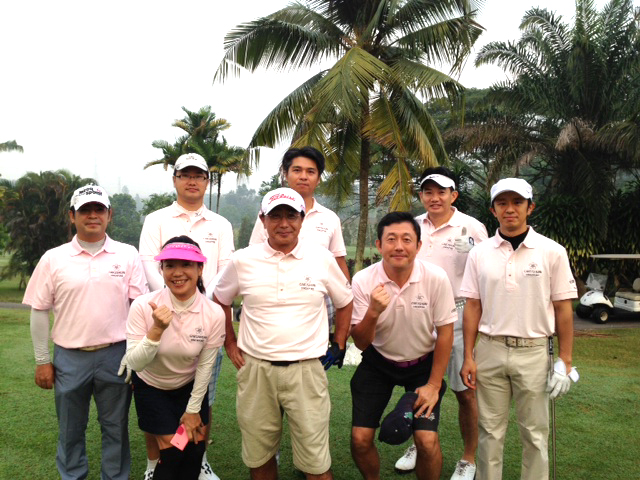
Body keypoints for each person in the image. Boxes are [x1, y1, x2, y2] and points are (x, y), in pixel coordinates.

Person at [214, 187, 354, 480]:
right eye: (275, 216)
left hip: (306, 371)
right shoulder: (243, 260)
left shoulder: (321, 258)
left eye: (291, 215)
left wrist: (339, 342)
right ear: (263, 220)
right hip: (257, 371)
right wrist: (230, 342)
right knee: (260, 458)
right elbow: (220, 300)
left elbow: (345, 301)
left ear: (302, 219)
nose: (283, 223)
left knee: (316, 464)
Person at [23, 184, 148, 480]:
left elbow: (138, 308)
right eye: (85, 210)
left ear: (109, 215)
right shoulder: (53, 258)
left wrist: (135, 355)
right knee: (70, 429)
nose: (93, 215)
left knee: (115, 428)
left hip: (116, 356)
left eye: (99, 209)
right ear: (72, 216)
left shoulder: (127, 254)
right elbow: (39, 310)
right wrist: (42, 360)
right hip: (69, 358)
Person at [459, 178, 578, 480]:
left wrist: (565, 360)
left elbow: (563, 308)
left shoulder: (552, 251)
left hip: (534, 352)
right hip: (490, 349)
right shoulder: (479, 253)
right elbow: (473, 306)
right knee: (489, 431)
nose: (509, 209)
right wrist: (469, 356)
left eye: (517, 202)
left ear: (530, 207)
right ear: (493, 210)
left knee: (535, 433)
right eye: (502, 203)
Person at [139, 152, 234, 480]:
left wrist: (197, 303)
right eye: (185, 175)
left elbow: (223, 271)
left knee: (203, 394)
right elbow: (150, 266)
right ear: (175, 179)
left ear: (207, 181)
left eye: (198, 175)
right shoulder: (156, 219)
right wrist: (173, 303)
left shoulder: (220, 224)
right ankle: (155, 463)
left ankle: (197, 457)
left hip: (204, 321)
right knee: (155, 393)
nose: (192, 181)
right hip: (160, 319)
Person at [350, 212, 457, 480]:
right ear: (379, 245)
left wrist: (433, 385)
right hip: (378, 362)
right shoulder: (363, 280)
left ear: (418, 246)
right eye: (391, 239)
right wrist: (373, 312)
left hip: (422, 364)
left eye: (407, 239)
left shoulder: (435, 277)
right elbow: (361, 342)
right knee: (360, 439)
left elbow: (445, 332)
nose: (399, 246)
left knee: (426, 441)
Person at [396, 167, 487, 480]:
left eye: (441, 192)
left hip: (458, 316)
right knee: (419, 387)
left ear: (453, 195)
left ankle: (468, 458)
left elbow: (486, 272)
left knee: (465, 392)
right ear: (421, 195)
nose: (434, 198)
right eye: (428, 192)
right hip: (420, 317)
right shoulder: (413, 225)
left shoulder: (471, 226)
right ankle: (419, 445)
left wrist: (475, 252)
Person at [126, 236, 226, 480]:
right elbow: (135, 363)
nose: (177, 273)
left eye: (186, 265)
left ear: (200, 269)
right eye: (170, 265)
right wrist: (156, 330)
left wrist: (192, 410)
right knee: (172, 452)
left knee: (194, 449)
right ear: (161, 269)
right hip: (152, 386)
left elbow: (205, 367)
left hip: (188, 388)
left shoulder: (213, 313)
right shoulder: (143, 305)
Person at [249, 146, 351, 326]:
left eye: (310, 172)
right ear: (286, 174)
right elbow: (253, 258)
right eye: (297, 170)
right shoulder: (268, 217)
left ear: (318, 179)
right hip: (273, 300)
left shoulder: (330, 218)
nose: (303, 176)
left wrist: (346, 306)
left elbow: (339, 264)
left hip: (316, 303)